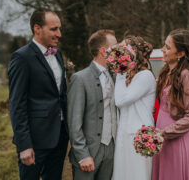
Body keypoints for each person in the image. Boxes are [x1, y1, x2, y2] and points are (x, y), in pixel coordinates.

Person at [8, 9, 69, 180]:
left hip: (60, 137)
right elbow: (17, 104)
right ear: (37, 28)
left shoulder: (57, 55)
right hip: (35, 141)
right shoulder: (21, 58)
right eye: (54, 29)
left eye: (59, 28)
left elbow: (60, 96)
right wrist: (24, 145)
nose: (59, 34)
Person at [152, 29, 189, 180]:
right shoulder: (166, 72)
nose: (163, 49)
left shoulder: (186, 75)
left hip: (177, 140)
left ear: (180, 54)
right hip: (162, 138)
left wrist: (165, 132)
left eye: (168, 47)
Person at [67, 29, 117, 180]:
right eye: (115, 47)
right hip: (89, 152)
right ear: (103, 51)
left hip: (112, 149)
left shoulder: (116, 77)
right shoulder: (80, 79)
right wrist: (82, 155)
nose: (119, 51)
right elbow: (74, 122)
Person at [112, 36, 156, 180]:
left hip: (140, 135)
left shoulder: (145, 76)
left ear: (134, 53)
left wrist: (119, 71)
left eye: (123, 49)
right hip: (125, 132)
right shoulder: (129, 75)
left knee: (137, 175)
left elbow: (120, 100)